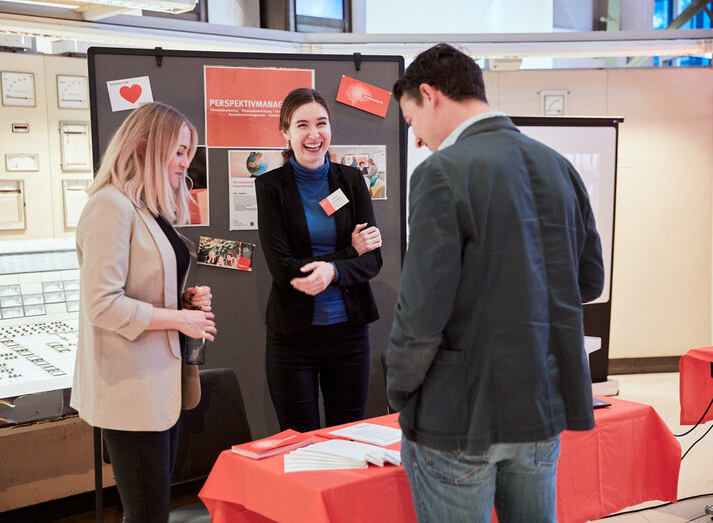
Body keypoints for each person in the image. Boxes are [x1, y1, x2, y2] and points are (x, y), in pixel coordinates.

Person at [386, 43, 604, 523]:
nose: (418, 139)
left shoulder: (440, 173)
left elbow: (422, 311)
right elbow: (588, 281)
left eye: (411, 120)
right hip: (541, 405)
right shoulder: (558, 166)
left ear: (429, 94)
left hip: (459, 413)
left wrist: (399, 387)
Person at [71, 102, 217, 523]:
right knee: (147, 514)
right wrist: (179, 319)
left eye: (187, 153)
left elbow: (143, 288)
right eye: (177, 152)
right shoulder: (109, 206)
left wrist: (182, 301)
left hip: (157, 384)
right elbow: (102, 303)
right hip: (129, 388)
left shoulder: (147, 210)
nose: (183, 164)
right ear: (142, 147)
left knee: (151, 510)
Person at [255, 88, 383, 432]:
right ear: (285, 132)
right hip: (293, 338)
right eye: (302, 125)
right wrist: (346, 257)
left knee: (348, 440)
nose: (314, 135)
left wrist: (331, 269)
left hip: (349, 336)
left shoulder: (352, 181)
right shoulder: (270, 187)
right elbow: (283, 269)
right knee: (300, 444)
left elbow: (373, 262)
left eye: (321, 123)